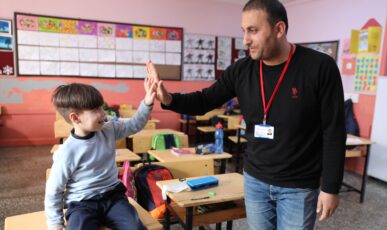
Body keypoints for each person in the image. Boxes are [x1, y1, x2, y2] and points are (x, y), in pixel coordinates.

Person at [146, 0, 346, 229]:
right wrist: (169, 99)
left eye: (253, 30)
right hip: (255, 181)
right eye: (244, 31)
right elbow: (204, 100)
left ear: (279, 29)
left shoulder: (319, 67)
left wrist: (331, 187)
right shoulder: (242, 70)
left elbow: (334, 130)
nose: (245, 40)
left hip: (298, 186)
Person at [45, 79, 157, 230]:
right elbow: (54, 189)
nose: (103, 114)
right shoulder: (67, 152)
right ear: (75, 118)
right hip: (82, 204)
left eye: (101, 107)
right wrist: (55, 224)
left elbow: (134, 124)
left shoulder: (108, 129)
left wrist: (147, 103)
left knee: (135, 227)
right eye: (95, 110)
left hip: (113, 198)